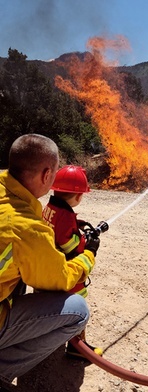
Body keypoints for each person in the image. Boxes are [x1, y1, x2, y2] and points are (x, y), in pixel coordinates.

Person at [0, 134, 100, 387]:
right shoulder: (26, 228)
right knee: (78, 311)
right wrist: (89, 254)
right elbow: (61, 280)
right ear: (46, 175)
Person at [42, 165, 103, 358]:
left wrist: (76, 226)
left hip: (47, 268)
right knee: (78, 305)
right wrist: (88, 242)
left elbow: (57, 230)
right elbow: (71, 247)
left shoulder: (50, 208)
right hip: (67, 272)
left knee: (49, 306)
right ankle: (77, 348)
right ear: (78, 197)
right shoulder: (66, 216)